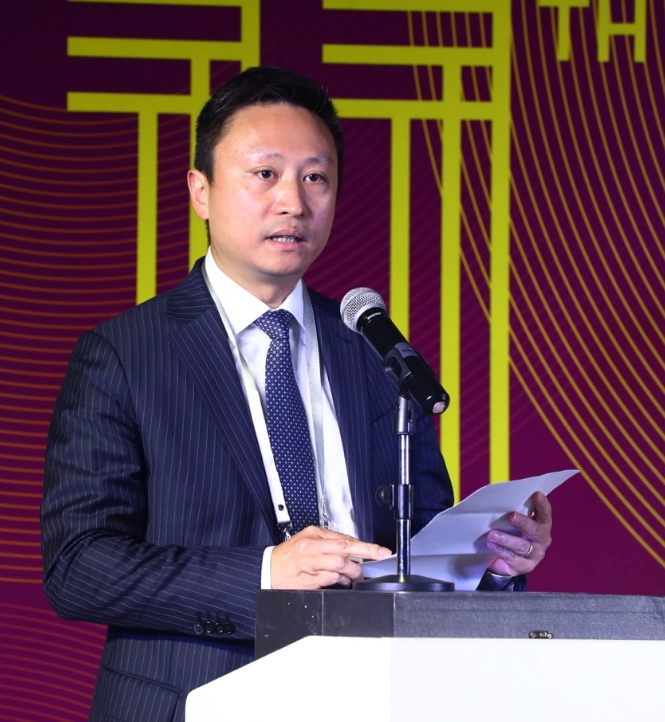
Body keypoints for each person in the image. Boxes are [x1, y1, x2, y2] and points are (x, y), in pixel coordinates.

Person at [41, 65, 553, 722]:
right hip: (192, 701)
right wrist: (265, 573)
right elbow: (79, 566)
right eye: (265, 174)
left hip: (367, 699)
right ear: (200, 191)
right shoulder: (124, 354)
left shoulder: (372, 348)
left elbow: (417, 554)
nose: (294, 201)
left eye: (316, 178)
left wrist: (489, 561)